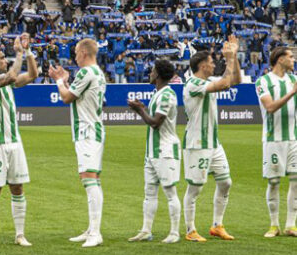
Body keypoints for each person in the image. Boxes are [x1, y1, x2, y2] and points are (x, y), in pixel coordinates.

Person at [0, 34, 38, 248]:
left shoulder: (7, 83)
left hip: (14, 142)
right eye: (2, 58)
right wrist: (18, 53)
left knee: (18, 188)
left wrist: (28, 52)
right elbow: (10, 77)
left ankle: (20, 234)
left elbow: (33, 74)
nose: (6, 60)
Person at [182, 36, 241, 243]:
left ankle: (217, 225)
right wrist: (230, 58)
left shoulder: (207, 81)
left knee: (225, 182)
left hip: (214, 143)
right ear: (202, 65)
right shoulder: (192, 84)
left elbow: (235, 81)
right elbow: (225, 83)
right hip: (197, 144)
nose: (215, 64)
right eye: (212, 61)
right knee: (195, 188)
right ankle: (190, 229)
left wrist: (234, 57)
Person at [48, 38, 107, 248]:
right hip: (93, 129)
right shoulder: (98, 72)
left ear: (83, 52)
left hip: (87, 131)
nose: (74, 55)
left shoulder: (86, 72)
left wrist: (58, 80)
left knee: (89, 179)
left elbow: (66, 97)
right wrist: (65, 80)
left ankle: (96, 233)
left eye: (75, 52)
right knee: (93, 179)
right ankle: (92, 229)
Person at [126, 60, 182, 244]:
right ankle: (146, 230)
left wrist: (140, 110)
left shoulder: (167, 95)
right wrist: (142, 108)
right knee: (149, 192)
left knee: (169, 191)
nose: (150, 73)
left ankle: (174, 232)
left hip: (165, 150)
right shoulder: (158, 94)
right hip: (153, 151)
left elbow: (156, 123)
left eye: (152, 71)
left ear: (157, 74)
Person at [255, 47, 297, 238]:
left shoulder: (293, 80)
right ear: (280, 60)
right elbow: (270, 107)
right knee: (273, 182)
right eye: (290, 56)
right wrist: (292, 93)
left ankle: (291, 224)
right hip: (273, 139)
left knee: (296, 181)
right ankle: (274, 225)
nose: (293, 59)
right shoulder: (263, 81)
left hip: (293, 139)